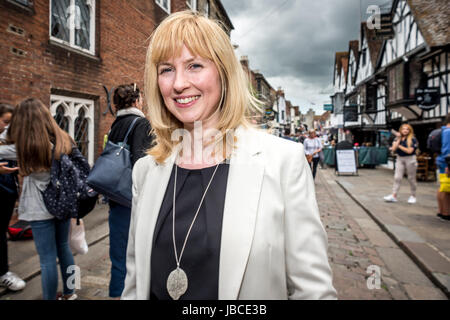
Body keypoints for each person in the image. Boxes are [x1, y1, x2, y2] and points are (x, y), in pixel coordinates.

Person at [121, 11, 336, 300]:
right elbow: (135, 284)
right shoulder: (146, 171)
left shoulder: (282, 161)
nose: (179, 83)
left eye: (194, 65)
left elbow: (313, 291)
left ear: (223, 73)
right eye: (166, 69)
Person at [0, 98, 77, 300]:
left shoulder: (22, 148)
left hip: (38, 206)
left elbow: (2, 140)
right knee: (64, 249)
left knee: (47, 259)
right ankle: (71, 292)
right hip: (62, 201)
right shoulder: (63, 139)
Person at [106, 84, 153, 299]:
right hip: (131, 199)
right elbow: (141, 163)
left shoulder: (116, 123)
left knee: (118, 255)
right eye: (141, 99)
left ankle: (115, 294)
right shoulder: (141, 123)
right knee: (135, 256)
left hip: (115, 195)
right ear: (136, 101)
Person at [0, 103, 26, 292]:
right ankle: (3, 273)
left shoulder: (9, 139)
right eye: (5, 122)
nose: (8, 126)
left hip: (7, 189)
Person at [383, 124, 418, 204]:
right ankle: (394, 195)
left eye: (407, 129)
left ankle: (413, 196)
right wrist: (398, 139)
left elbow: (409, 151)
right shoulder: (397, 138)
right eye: (403, 129)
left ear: (410, 131)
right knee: (397, 177)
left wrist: (398, 146)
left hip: (410, 158)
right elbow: (394, 149)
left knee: (411, 178)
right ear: (400, 130)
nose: (405, 130)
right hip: (400, 158)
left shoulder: (412, 139)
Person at [436, 114, 450, 221]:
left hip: (443, 162)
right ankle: (446, 213)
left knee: (443, 186)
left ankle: (441, 211)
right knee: (446, 188)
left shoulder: (444, 130)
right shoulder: (448, 132)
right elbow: (447, 150)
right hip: (446, 163)